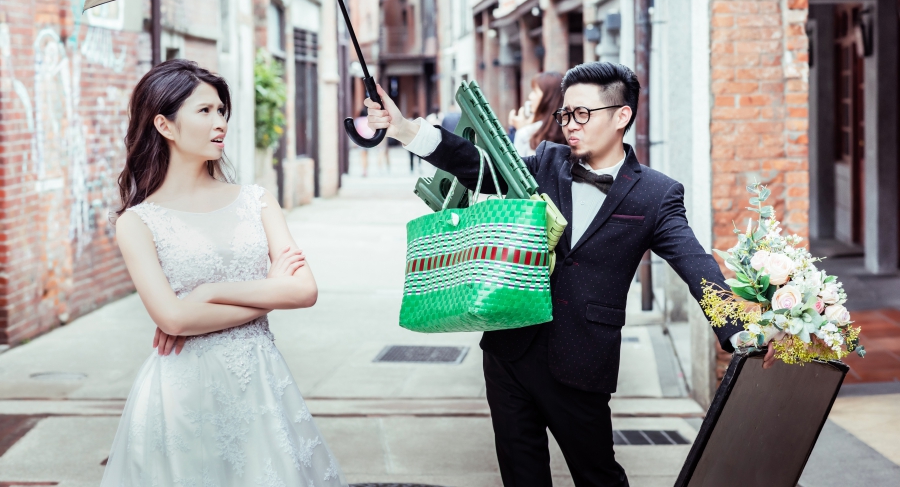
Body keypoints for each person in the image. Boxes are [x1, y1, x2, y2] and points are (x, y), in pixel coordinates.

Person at [366, 61, 774, 487]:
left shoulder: (656, 193)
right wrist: (404, 129)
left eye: (582, 114)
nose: (569, 125)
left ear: (622, 116)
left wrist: (739, 330)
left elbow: (695, 265)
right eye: (565, 114)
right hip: (509, 350)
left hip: (581, 361)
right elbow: (475, 163)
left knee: (598, 477)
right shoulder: (546, 161)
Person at [103, 60, 346, 487]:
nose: (220, 123)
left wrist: (209, 292)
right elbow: (173, 320)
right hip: (182, 392)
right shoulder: (137, 222)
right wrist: (270, 290)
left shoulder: (256, 201)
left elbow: (304, 290)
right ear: (165, 125)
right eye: (204, 111)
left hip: (261, 385)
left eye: (221, 111)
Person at [508, 71, 565, 156]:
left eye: (535, 91)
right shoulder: (569, 130)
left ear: (548, 97)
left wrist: (519, 131)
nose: (530, 96)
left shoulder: (526, 134)